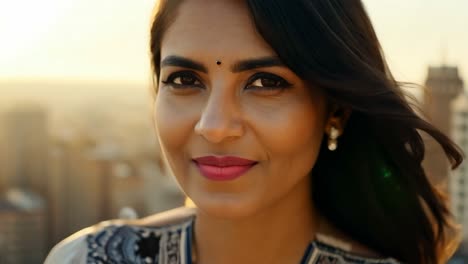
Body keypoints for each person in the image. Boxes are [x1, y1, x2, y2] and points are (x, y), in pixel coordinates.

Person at [45, 0, 463, 263]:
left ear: (335, 110)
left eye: (265, 82)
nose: (214, 126)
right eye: (185, 79)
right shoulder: (89, 257)